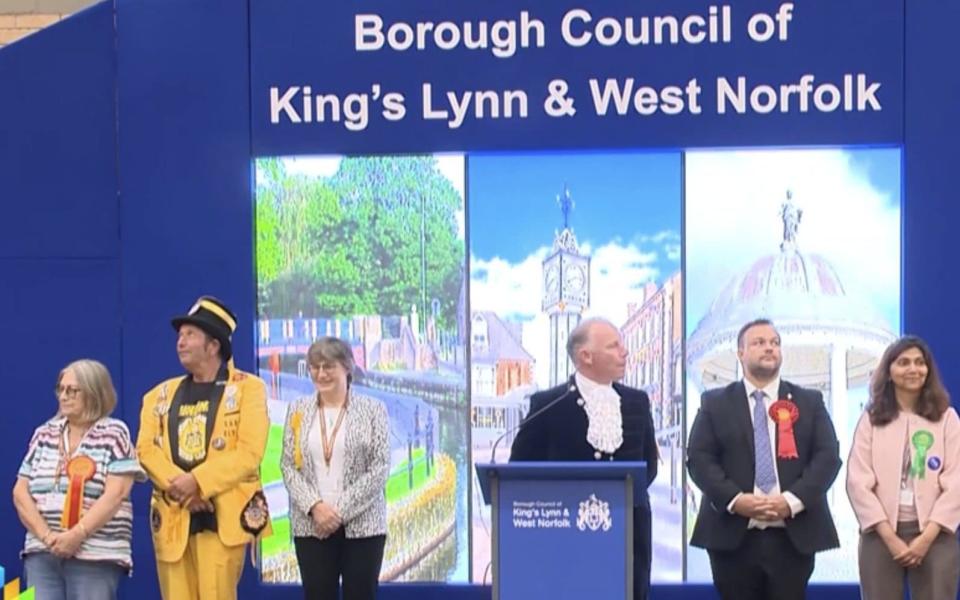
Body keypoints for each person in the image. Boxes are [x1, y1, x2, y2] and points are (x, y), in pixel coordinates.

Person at [687, 318, 841, 600]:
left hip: (793, 537)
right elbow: (699, 458)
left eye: (775, 343)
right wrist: (736, 500)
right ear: (740, 353)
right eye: (759, 343)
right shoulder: (715, 402)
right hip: (732, 537)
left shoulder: (809, 401)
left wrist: (791, 501)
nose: (769, 348)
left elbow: (827, 457)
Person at [509, 317, 659, 600]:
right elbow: (520, 470)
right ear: (585, 356)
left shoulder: (637, 401)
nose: (624, 352)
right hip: (565, 540)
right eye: (614, 346)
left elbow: (648, 464)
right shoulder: (548, 405)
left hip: (629, 534)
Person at [136, 296, 271, 600]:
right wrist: (183, 488)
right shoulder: (158, 395)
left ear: (213, 346)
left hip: (221, 515)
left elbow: (250, 453)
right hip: (174, 513)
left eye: (190, 335)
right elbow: (145, 449)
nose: (180, 343)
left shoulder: (248, 389)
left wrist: (198, 481)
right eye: (180, 336)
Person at [13, 359, 145, 599]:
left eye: (72, 390)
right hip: (42, 552)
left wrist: (77, 535)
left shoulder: (114, 433)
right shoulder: (44, 433)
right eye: (60, 389)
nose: (63, 396)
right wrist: (47, 536)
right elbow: (20, 492)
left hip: (95, 555)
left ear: (94, 392)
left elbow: (116, 493)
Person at [846, 336, 960, 600]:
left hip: (936, 535)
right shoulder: (871, 419)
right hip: (880, 534)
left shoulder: (947, 418)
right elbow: (857, 481)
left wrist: (926, 538)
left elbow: (956, 482)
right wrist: (890, 537)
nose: (913, 369)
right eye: (904, 362)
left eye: (920, 363)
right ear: (889, 371)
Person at [281, 337, 390, 600]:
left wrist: (337, 513)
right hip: (311, 527)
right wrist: (316, 507)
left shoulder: (373, 410)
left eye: (328, 366)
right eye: (314, 367)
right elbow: (287, 465)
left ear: (347, 367)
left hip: (364, 527)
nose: (320, 373)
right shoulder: (298, 409)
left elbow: (380, 467)